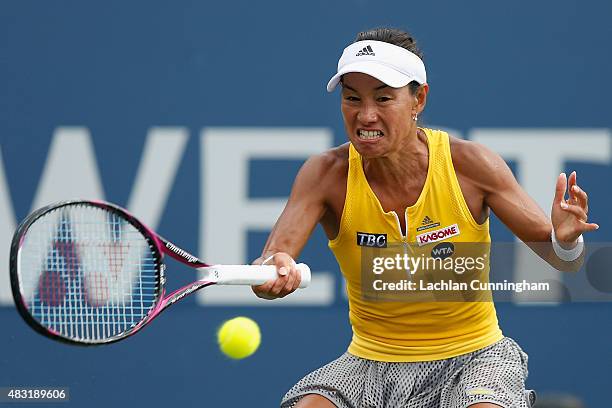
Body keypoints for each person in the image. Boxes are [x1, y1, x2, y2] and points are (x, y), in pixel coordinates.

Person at [252, 27, 597, 408]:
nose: (365, 115)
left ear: (419, 99)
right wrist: (273, 269)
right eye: (352, 98)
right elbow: (274, 258)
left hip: (475, 359)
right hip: (371, 363)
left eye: (384, 98)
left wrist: (565, 241)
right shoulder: (325, 174)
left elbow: (567, 262)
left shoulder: (470, 165)